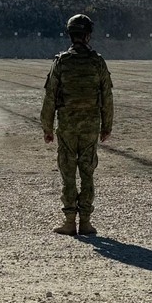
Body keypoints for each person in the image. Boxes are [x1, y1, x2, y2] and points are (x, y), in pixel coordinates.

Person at [40, 13, 114, 236]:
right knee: (88, 172)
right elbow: (107, 97)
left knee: (68, 173)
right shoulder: (97, 62)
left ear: (71, 35)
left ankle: (70, 222)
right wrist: (106, 127)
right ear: (88, 36)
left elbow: (50, 96)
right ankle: (86, 222)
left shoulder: (61, 62)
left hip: (67, 127)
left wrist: (47, 127)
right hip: (91, 127)